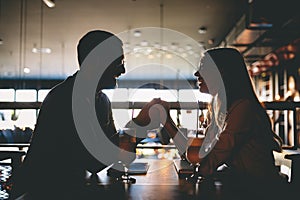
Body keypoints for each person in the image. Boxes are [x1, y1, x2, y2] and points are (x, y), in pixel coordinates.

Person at [8, 30, 162, 200]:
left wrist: (142, 126)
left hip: (73, 187)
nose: (124, 69)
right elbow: (95, 161)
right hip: (42, 192)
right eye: (119, 62)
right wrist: (139, 123)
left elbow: (113, 151)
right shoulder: (65, 99)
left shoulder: (102, 100)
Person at [160, 47, 288, 199]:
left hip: (259, 191)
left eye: (203, 68)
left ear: (223, 73)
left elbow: (207, 163)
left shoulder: (243, 107)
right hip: (239, 186)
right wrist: (167, 121)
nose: (196, 74)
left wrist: (169, 124)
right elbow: (201, 155)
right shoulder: (217, 105)